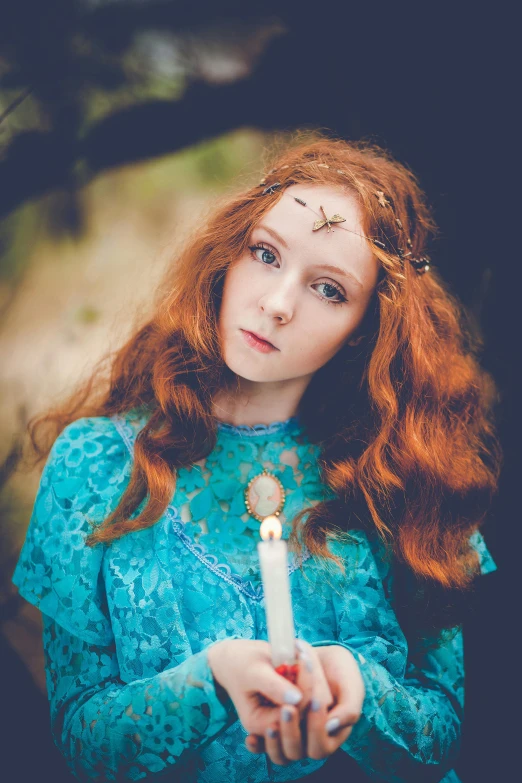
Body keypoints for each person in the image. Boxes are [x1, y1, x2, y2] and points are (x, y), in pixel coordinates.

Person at [12, 134, 501, 782]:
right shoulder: (98, 466)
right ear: (228, 254)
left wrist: (360, 693)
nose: (277, 303)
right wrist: (211, 681)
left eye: (328, 288)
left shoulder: (401, 475)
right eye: (265, 254)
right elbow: (80, 739)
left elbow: (444, 734)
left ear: (367, 325)